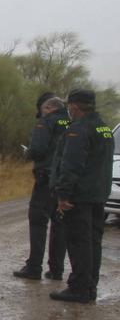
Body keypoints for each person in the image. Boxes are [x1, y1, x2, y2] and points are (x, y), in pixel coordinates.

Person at [49, 88, 115, 304]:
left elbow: (71, 164)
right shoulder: (104, 128)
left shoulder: (79, 130)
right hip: (98, 195)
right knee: (93, 242)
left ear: (74, 107)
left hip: (80, 196)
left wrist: (63, 194)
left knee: (79, 242)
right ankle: (89, 287)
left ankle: (78, 287)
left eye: (69, 106)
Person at [13, 94, 70, 281]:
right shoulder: (72, 123)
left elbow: (37, 149)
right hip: (65, 180)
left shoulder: (45, 123)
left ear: (47, 108)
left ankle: (34, 267)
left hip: (46, 177)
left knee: (38, 220)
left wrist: (27, 152)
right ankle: (56, 269)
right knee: (59, 223)